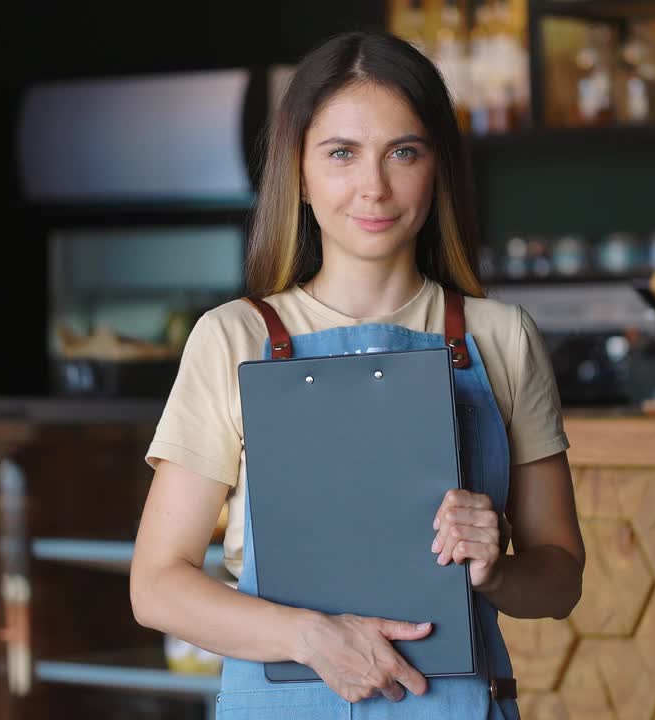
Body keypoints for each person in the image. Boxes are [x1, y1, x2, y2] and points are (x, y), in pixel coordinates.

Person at [129, 31, 585, 720]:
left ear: (437, 170)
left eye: (404, 152)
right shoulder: (234, 338)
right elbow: (157, 586)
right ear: (301, 172)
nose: (373, 186)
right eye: (341, 153)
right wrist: (312, 638)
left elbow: (560, 581)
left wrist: (499, 570)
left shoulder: (500, 337)